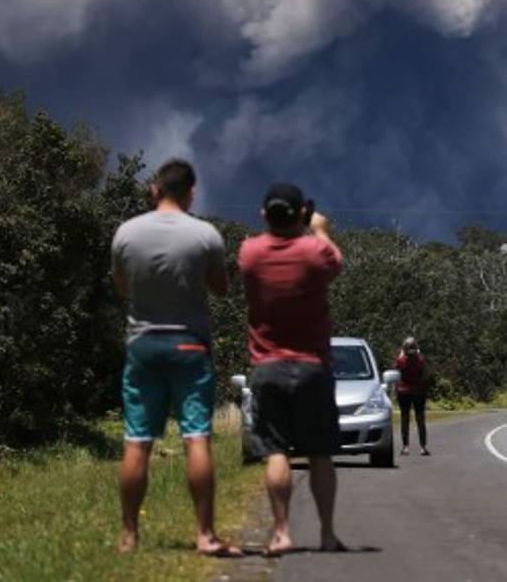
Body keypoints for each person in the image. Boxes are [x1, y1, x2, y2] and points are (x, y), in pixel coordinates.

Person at [110, 158, 240, 557]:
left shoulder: (126, 233)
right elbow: (221, 288)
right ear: (191, 193)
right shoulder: (205, 235)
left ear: (154, 190)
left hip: (143, 345)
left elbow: (121, 288)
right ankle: (205, 535)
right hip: (190, 345)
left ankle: (129, 535)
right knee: (196, 437)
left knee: (137, 442)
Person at [238, 183, 345, 556]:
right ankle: (327, 534)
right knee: (320, 453)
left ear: (264, 214)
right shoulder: (316, 253)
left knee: (276, 451)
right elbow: (335, 261)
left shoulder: (250, 253)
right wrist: (319, 228)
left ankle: (282, 532)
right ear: (301, 213)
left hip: (268, 366)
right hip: (312, 366)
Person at [394, 337, 430, 456]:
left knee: (405, 418)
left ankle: (405, 447)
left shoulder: (400, 360)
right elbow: (425, 375)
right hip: (418, 391)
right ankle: (423, 447)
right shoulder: (420, 360)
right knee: (420, 419)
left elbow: (397, 372)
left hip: (403, 392)